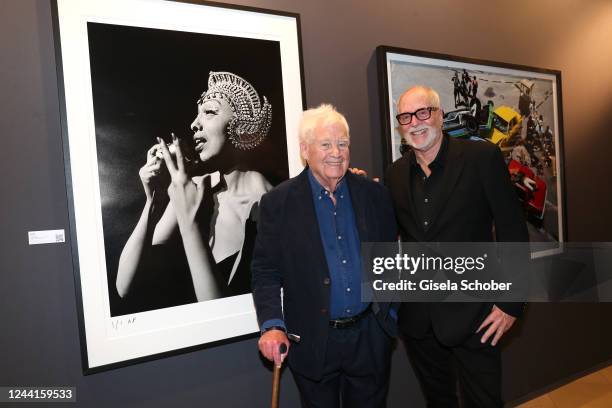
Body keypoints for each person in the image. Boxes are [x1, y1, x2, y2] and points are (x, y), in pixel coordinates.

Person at [385, 86, 528, 407]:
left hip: (477, 315)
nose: (415, 123)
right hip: (419, 319)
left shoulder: (481, 158)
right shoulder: (395, 173)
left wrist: (512, 303)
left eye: (423, 112)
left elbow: (512, 229)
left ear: (438, 115)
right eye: (406, 116)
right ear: (400, 124)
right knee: (439, 401)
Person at [251, 104, 397, 408]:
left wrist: (390, 314)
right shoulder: (277, 203)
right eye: (326, 144)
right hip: (314, 341)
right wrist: (272, 324)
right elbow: (265, 270)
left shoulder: (375, 194)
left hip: (369, 336)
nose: (336, 152)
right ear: (305, 149)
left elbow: (389, 253)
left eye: (343, 143)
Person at [116, 71, 273, 305]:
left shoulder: (274, 203)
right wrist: (153, 200)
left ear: (241, 127)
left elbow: (222, 313)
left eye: (209, 112)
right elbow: (124, 286)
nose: (194, 124)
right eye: (196, 115)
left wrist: (189, 224)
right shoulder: (198, 188)